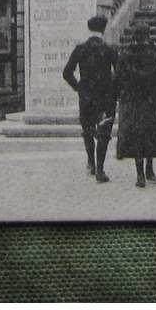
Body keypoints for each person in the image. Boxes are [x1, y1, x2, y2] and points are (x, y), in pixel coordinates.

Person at [61, 14, 117, 183]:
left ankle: (90, 163)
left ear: (89, 29)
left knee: (87, 130)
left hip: (86, 96)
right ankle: (100, 169)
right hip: (105, 96)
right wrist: (114, 90)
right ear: (104, 29)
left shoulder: (80, 48)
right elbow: (119, 72)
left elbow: (66, 73)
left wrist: (79, 87)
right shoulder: (109, 49)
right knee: (103, 132)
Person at [115, 23, 156, 186]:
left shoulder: (126, 56)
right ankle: (150, 169)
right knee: (151, 134)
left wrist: (122, 95)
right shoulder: (155, 55)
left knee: (137, 137)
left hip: (133, 102)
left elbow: (118, 79)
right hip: (152, 102)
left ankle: (140, 174)